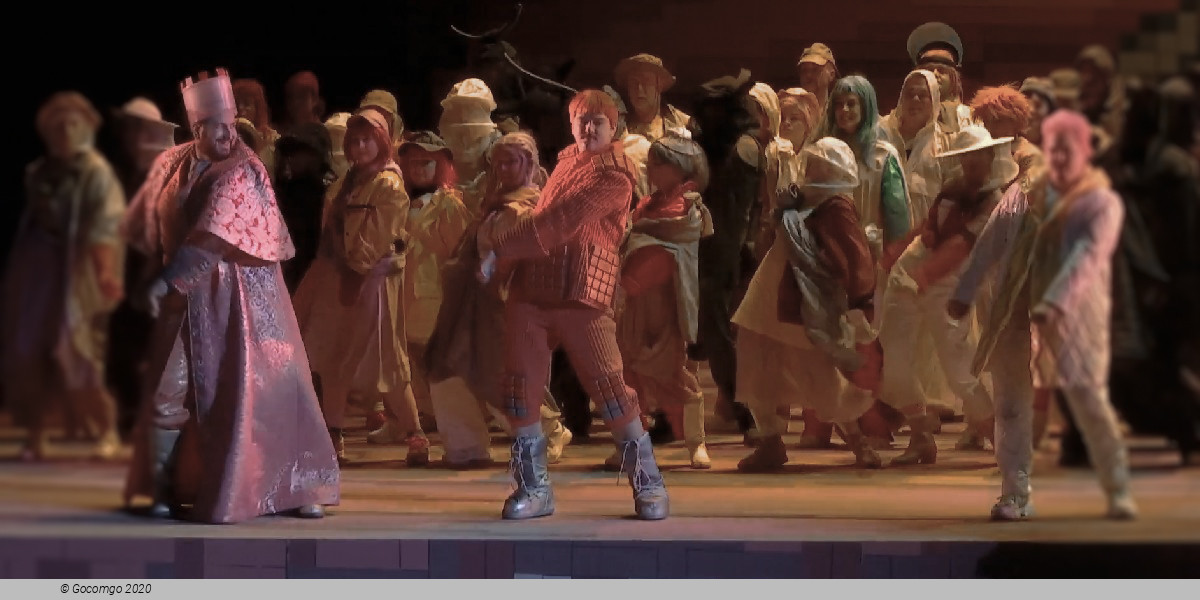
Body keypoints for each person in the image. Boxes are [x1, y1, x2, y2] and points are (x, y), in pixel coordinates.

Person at [120, 69, 338, 523]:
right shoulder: (173, 162)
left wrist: (166, 280)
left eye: (230, 123)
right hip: (183, 298)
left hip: (240, 297)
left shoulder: (244, 168)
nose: (227, 133)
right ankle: (165, 486)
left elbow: (213, 236)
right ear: (196, 128)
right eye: (215, 126)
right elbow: (145, 216)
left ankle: (299, 483)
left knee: (271, 387)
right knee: (168, 388)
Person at [484, 89, 670, 520]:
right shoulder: (567, 162)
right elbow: (544, 218)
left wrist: (502, 248)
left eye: (597, 121)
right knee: (520, 389)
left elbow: (559, 221)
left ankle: (648, 482)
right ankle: (533, 487)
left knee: (610, 389)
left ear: (614, 126)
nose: (588, 128)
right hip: (534, 288)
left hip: (583, 291)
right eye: (581, 119)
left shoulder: (616, 174)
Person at [949, 110, 1137, 521]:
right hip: (1012, 311)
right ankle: (1014, 493)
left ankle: (1117, 485)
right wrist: (964, 291)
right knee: (1010, 403)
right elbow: (988, 245)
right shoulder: (1018, 194)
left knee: (1086, 397)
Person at [292, 106, 430, 466]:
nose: (360, 146)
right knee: (333, 356)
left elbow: (379, 235)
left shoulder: (388, 184)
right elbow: (330, 230)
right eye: (355, 140)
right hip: (337, 275)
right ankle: (333, 433)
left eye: (368, 139)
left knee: (387, 359)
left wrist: (357, 270)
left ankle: (414, 432)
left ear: (382, 141)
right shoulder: (345, 183)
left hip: (372, 282)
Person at [878, 125, 1013, 465]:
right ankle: (920, 433)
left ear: (990, 156)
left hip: (952, 282)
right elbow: (929, 226)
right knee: (892, 357)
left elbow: (962, 245)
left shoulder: (994, 203)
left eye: (978, 155)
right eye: (967, 156)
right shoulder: (952, 186)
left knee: (959, 368)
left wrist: (925, 275)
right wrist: (898, 253)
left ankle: (1003, 443)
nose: (972, 161)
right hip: (913, 268)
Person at [3, 91, 125, 461]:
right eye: (58, 126)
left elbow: (104, 226)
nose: (66, 132)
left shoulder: (96, 172)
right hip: (39, 272)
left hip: (77, 270)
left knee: (78, 350)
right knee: (29, 351)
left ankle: (105, 430)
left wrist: (105, 272)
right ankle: (36, 432)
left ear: (87, 127)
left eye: (73, 124)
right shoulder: (39, 172)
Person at [617, 131, 715, 469]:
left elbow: (668, 243)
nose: (652, 169)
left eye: (659, 164)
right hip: (636, 301)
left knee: (673, 373)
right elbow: (635, 238)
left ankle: (696, 442)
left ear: (680, 168)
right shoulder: (647, 204)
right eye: (651, 163)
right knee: (628, 371)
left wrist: (639, 239)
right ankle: (632, 443)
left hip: (667, 302)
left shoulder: (687, 208)